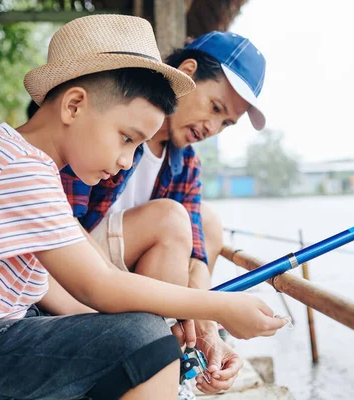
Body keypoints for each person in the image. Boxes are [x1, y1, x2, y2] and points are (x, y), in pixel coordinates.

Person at [0, 15, 285, 399]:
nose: (128, 161)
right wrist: (224, 306)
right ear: (74, 105)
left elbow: (65, 294)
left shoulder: (19, 157)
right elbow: (99, 286)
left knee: (141, 334)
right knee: (143, 342)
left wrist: (157, 329)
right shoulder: (18, 168)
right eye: (127, 139)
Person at [60, 31, 267, 394]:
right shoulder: (108, 120)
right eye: (215, 108)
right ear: (186, 73)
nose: (212, 129)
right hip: (74, 267)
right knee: (172, 218)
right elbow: (62, 220)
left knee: (205, 221)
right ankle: (161, 360)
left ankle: (181, 354)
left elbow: (197, 255)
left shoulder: (185, 161)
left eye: (226, 123)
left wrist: (208, 331)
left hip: (127, 270)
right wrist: (218, 308)